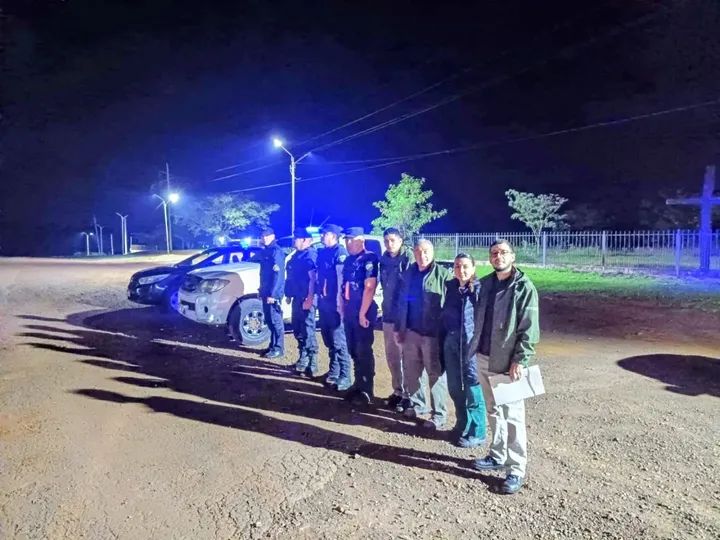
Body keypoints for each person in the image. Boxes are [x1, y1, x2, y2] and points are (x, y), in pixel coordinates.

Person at [469, 239, 540, 495]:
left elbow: (529, 328)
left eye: (503, 252)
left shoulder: (524, 287)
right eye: (494, 253)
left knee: (513, 416)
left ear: (513, 256)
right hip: (484, 356)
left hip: (507, 362)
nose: (498, 256)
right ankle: (497, 455)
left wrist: (520, 360)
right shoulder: (486, 284)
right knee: (493, 410)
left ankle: (516, 468)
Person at [394, 238, 450, 429]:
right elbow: (401, 303)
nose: (422, 255)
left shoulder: (443, 275)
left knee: (435, 374)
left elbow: (448, 306)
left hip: (432, 335)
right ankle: (418, 405)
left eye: (426, 251)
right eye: (418, 251)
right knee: (412, 372)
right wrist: (399, 328)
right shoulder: (408, 274)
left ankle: (439, 414)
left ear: (433, 252)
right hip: (411, 332)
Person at [379, 228, 427, 412]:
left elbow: (410, 291)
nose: (389, 244)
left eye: (393, 240)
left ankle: (409, 396)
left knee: (408, 359)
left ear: (400, 240)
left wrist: (406, 317)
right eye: (386, 240)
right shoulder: (384, 260)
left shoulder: (408, 260)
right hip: (388, 315)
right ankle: (397, 391)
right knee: (392, 358)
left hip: (404, 318)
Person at [441, 253, 486, 448]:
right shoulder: (451, 288)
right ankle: (462, 424)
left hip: (471, 346)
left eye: (466, 266)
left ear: (473, 268)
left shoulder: (479, 290)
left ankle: (478, 431)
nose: (461, 270)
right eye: (458, 266)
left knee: (472, 388)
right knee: (454, 387)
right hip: (451, 343)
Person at [341, 227, 379, 407]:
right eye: (346, 240)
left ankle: (366, 390)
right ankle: (357, 384)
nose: (348, 243)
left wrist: (362, 313)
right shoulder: (349, 260)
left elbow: (369, 287)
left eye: (351, 239)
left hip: (363, 310)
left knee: (363, 351)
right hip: (350, 310)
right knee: (353, 349)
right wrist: (342, 308)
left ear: (361, 240)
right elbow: (344, 286)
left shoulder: (369, 259)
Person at [315, 223, 352, 390]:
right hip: (324, 303)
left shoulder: (340, 253)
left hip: (335, 304)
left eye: (324, 234)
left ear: (333, 236)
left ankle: (346, 375)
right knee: (328, 339)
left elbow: (340, 280)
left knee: (339, 341)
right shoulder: (323, 252)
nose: (322, 236)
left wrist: (340, 305)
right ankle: (334, 371)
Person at [285, 227, 319, 376]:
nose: (294, 241)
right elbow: (291, 276)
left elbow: (313, 279)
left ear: (305, 240)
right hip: (297, 297)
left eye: (296, 238)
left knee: (308, 330)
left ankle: (312, 363)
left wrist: (309, 298)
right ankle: (303, 359)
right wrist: (288, 294)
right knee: (298, 329)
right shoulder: (296, 255)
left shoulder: (310, 255)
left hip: (306, 299)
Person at [258, 227, 286, 359]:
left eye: (266, 236)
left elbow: (278, 276)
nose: (264, 238)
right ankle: (273, 345)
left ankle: (279, 348)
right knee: (269, 320)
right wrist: (262, 289)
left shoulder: (276, 252)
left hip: (273, 293)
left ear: (272, 236)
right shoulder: (266, 251)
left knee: (276, 321)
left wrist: (273, 294)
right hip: (266, 291)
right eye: (262, 236)